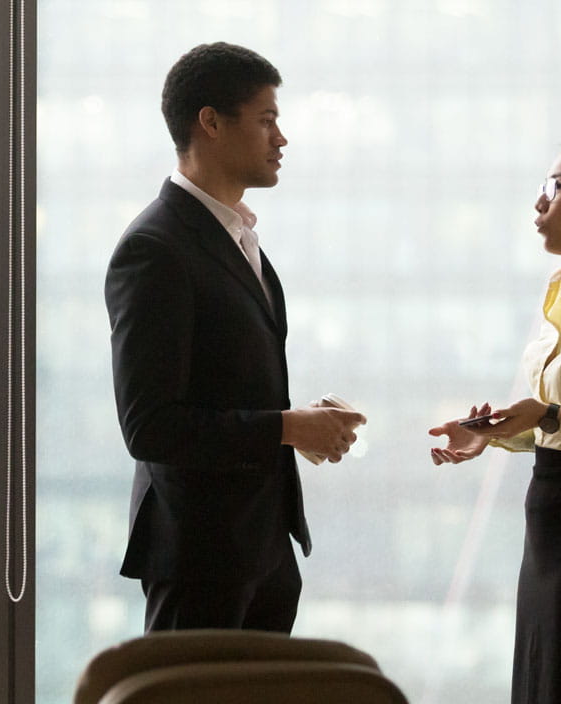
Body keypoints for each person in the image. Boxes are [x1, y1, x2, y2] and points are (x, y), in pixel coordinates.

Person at [104, 42, 366, 634]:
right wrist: (287, 427)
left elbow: (225, 384)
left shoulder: (238, 237)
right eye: (267, 119)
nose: (282, 138)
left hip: (264, 552)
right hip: (200, 560)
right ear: (211, 123)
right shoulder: (154, 248)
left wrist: (299, 423)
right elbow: (150, 427)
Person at [429, 135, 561, 703]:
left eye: (556, 188)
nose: (539, 203)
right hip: (553, 530)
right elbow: (558, 421)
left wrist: (551, 417)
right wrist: (495, 433)